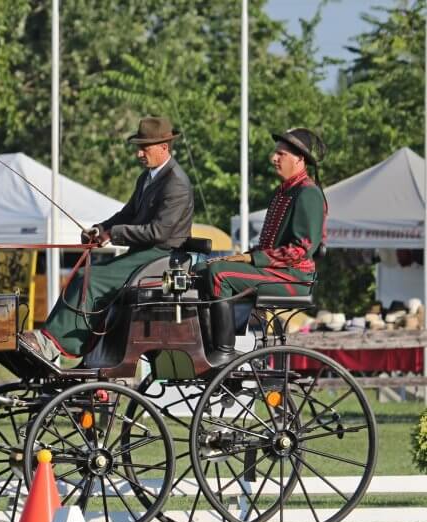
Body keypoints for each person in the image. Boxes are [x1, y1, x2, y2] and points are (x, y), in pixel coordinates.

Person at [25, 116, 195, 361]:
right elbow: (127, 213)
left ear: (164, 147)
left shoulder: (176, 183)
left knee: (90, 278)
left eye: (143, 148)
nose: (138, 154)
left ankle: (53, 345)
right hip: (142, 254)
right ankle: (61, 340)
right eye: (138, 148)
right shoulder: (148, 177)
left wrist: (113, 234)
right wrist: (99, 229)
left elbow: (159, 233)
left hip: (163, 258)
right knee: (83, 274)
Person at [197, 127, 326, 365]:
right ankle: (202, 344)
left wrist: (250, 260)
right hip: (276, 271)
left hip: (294, 278)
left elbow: (300, 250)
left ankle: (224, 350)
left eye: (281, 154)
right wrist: (243, 256)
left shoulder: (308, 194)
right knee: (202, 270)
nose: (273, 158)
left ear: (299, 158)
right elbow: (269, 246)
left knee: (220, 274)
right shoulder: (284, 192)